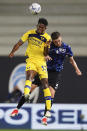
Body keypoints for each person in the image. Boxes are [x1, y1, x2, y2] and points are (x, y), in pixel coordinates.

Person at [10, 31, 82, 126]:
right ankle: (17, 108)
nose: (58, 43)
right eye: (56, 41)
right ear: (53, 41)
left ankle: (45, 117)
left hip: (55, 73)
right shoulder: (49, 45)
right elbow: (42, 53)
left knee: (51, 93)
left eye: (59, 41)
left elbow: (71, 60)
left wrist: (77, 69)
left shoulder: (66, 48)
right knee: (31, 88)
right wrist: (46, 55)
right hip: (44, 70)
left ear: (61, 38)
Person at [9, 18, 52, 118]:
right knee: (29, 76)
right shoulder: (29, 33)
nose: (40, 28)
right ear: (37, 25)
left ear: (46, 28)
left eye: (43, 27)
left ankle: (48, 110)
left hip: (41, 62)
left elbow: (46, 54)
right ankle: (27, 94)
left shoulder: (47, 38)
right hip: (31, 60)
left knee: (45, 84)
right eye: (39, 26)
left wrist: (46, 46)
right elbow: (19, 43)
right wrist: (12, 52)